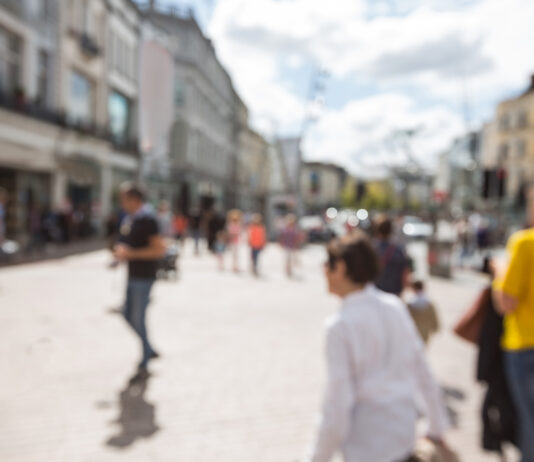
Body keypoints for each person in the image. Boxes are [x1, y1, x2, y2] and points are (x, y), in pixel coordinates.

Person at [306, 232, 450, 462]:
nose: (323, 271)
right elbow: (422, 369)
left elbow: (337, 405)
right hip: (403, 435)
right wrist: (436, 427)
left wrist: (317, 457)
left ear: (341, 267)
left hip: (366, 446)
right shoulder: (394, 306)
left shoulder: (339, 327)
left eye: (327, 265)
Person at [493, 183, 534, 461]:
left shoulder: (525, 242)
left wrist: (499, 270)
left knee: (530, 423)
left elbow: (505, 302)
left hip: (525, 344)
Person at [113, 183, 166, 380]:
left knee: (138, 316)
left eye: (124, 198)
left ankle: (145, 359)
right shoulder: (131, 219)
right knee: (128, 314)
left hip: (144, 276)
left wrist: (131, 254)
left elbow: (159, 250)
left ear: (135, 199)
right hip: (133, 274)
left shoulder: (148, 219)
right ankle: (149, 348)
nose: (121, 203)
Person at [374, 214, 412, 297]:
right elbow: (405, 273)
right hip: (395, 292)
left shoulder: (372, 249)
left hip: (376, 292)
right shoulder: (398, 250)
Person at [406, 280, 440, 345]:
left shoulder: (410, 303)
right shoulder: (429, 303)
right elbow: (433, 316)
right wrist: (436, 327)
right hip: (425, 331)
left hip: (413, 331)